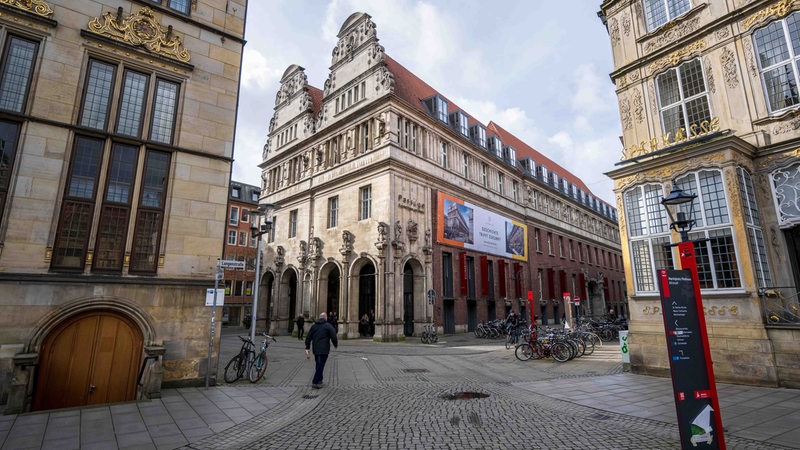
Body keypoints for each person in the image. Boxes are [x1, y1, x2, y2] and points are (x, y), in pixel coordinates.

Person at [305, 312, 338, 389]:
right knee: (320, 365)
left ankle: (320, 379)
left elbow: (308, 337)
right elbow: (334, 336)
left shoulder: (314, 326)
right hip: (324, 349)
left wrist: (307, 346)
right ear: (325, 318)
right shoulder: (328, 326)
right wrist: (335, 344)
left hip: (316, 349)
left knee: (319, 364)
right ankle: (315, 381)